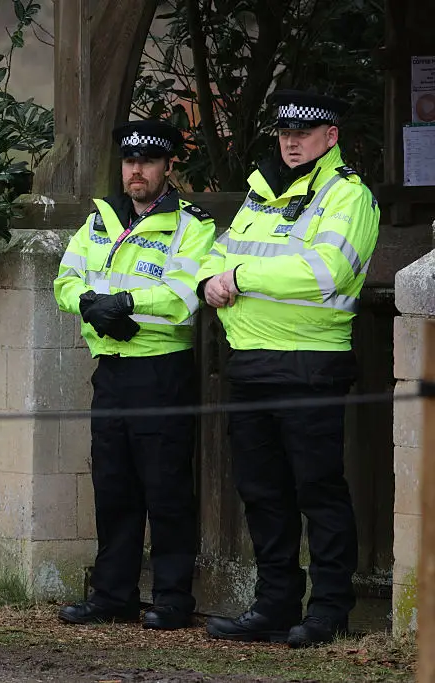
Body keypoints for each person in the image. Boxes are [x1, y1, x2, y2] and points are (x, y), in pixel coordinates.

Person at [196, 89, 380, 648]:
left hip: (311, 362)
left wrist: (241, 277)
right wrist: (209, 280)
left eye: (304, 133)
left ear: (331, 136)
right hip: (249, 363)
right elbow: (216, 252)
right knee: (262, 493)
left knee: (318, 491)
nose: (292, 142)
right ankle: (274, 607)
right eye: (284, 133)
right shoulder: (261, 195)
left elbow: (325, 273)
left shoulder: (348, 196)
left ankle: (329, 611)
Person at [53, 119, 216, 631]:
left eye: (147, 162)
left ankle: (172, 599)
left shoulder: (193, 225)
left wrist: (124, 302)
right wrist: (87, 304)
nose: (136, 171)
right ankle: (113, 594)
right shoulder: (100, 221)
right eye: (129, 162)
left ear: (169, 167)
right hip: (113, 371)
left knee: (165, 488)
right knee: (114, 485)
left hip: (161, 371)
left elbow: (181, 295)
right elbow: (65, 277)